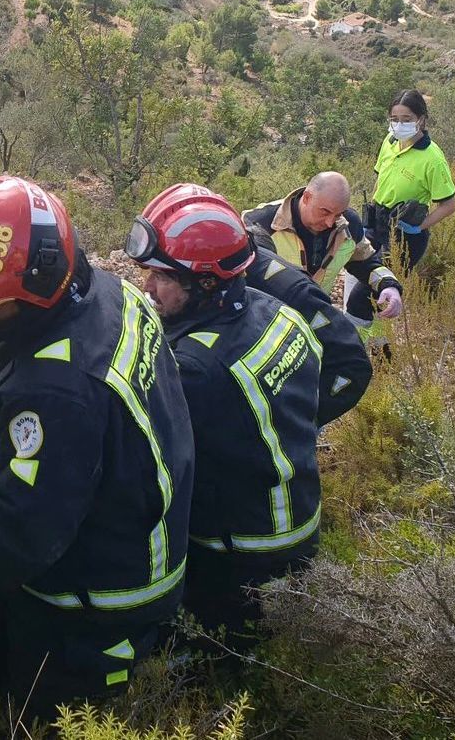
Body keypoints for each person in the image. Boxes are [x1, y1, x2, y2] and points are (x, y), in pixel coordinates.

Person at [0, 176, 194, 722]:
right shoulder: (105, 291)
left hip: (93, 602)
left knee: (37, 721)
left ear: (30, 293)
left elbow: (20, 538)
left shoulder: (59, 392)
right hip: (108, 525)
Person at [128, 184, 323, 641]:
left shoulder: (197, 368)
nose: (148, 287)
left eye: (162, 277)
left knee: (218, 661)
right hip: (298, 511)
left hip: (241, 548)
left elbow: (143, 456)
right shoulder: (274, 310)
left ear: (206, 283)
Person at [243, 171, 403, 326]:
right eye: (325, 212)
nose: (329, 222)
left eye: (338, 214)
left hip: (315, 316)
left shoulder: (348, 225)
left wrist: (388, 284)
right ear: (307, 197)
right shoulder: (259, 223)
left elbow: (366, 263)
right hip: (269, 320)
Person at [245, 248, 371, 426]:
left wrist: (301, 420)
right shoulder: (263, 225)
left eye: (335, 217)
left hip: (311, 313)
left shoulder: (285, 289)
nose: (329, 223)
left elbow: (352, 364)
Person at [367, 89, 455, 270]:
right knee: (357, 266)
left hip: (403, 232)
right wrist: (371, 207)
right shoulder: (390, 141)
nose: (399, 125)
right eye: (394, 119)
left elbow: (449, 205)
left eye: (406, 120)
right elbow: (380, 177)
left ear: (421, 120)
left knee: (373, 286)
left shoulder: (432, 159)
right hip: (377, 221)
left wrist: (419, 227)